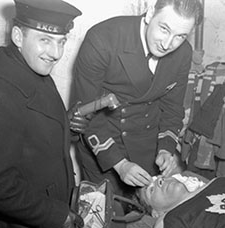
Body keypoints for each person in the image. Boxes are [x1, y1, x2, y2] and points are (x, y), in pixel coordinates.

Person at [0, 0, 87, 227]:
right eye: (45, 40)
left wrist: (63, 127)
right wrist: (57, 215)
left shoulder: (31, 70)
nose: (56, 53)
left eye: (61, 42)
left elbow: (28, 135)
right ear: (18, 37)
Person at [69, 0, 203, 197]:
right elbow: (86, 113)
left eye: (180, 36)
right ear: (149, 14)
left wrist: (165, 149)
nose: (168, 44)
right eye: (164, 29)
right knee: (104, 214)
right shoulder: (102, 39)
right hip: (104, 141)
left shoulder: (183, 53)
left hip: (148, 143)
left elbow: (172, 108)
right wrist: (120, 164)